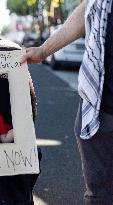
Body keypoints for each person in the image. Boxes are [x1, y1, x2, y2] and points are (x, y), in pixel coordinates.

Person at [21, 0, 113, 204]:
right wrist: (43, 50)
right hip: (100, 105)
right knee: (100, 194)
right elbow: (90, 7)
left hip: (102, 106)